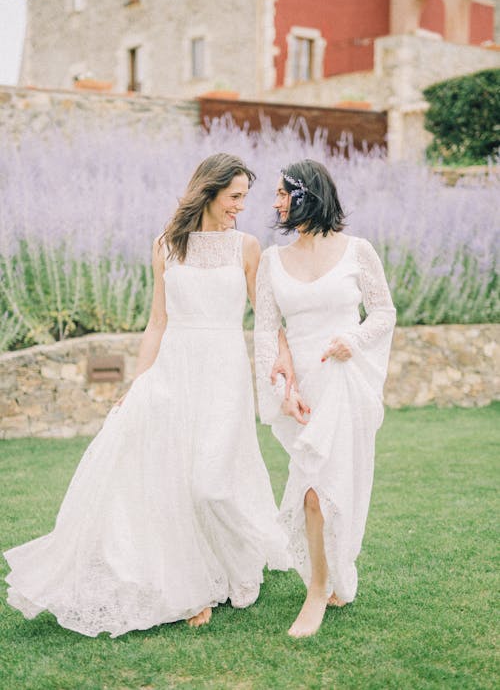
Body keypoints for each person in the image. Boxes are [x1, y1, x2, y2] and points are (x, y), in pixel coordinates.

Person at [4, 152, 290, 638]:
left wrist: (281, 359)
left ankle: (235, 559)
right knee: (171, 480)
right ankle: (191, 581)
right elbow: (157, 320)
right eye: (235, 196)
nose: (242, 206)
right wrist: (139, 381)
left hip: (223, 370)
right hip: (173, 369)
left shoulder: (246, 246)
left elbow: (267, 316)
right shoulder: (165, 245)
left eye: (245, 197)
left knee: (211, 482)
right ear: (210, 190)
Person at [254, 159, 396, 638]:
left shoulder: (358, 252)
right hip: (304, 393)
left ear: (306, 195)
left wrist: (351, 341)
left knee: (323, 489)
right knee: (316, 487)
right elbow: (268, 332)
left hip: (345, 381)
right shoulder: (273, 261)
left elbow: (383, 312)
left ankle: (317, 590)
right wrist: (282, 391)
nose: (274, 203)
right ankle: (329, 577)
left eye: (281, 192)